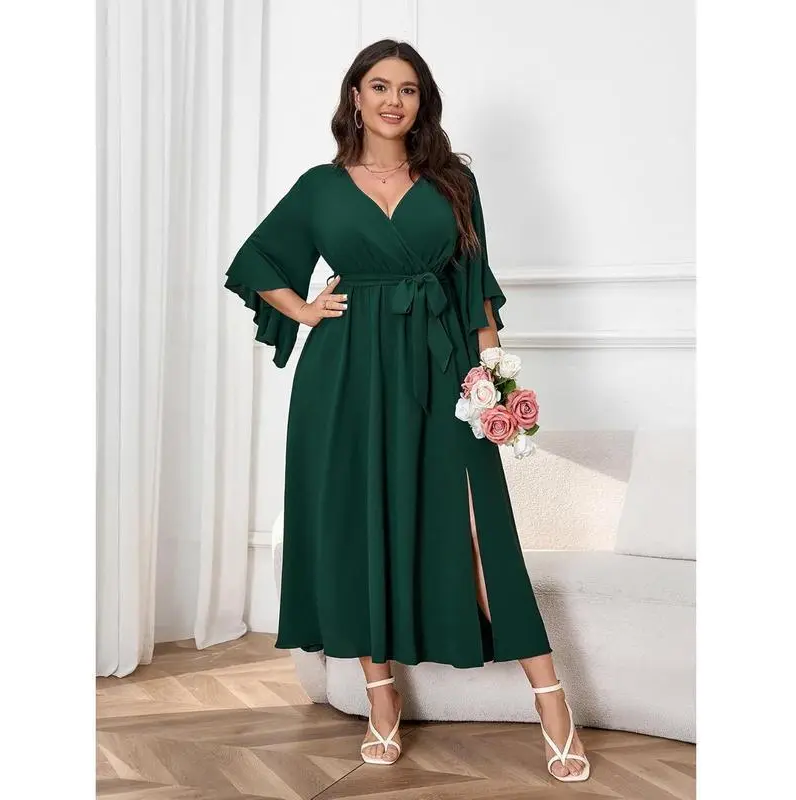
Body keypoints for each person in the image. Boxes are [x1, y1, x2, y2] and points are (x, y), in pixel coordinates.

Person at [223, 39, 590, 783]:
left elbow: (476, 289)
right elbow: (255, 261)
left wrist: (493, 379)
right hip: (345, 376)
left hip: (441, 365)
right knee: (363, 524)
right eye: (380, 86)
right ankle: (380, 698)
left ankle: (552, 703)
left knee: (482, 532)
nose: (395, 100)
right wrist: (305, 309)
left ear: (423, 103)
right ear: (354, 97)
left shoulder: (453, 182)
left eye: (410, 89)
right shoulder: (320, 188)